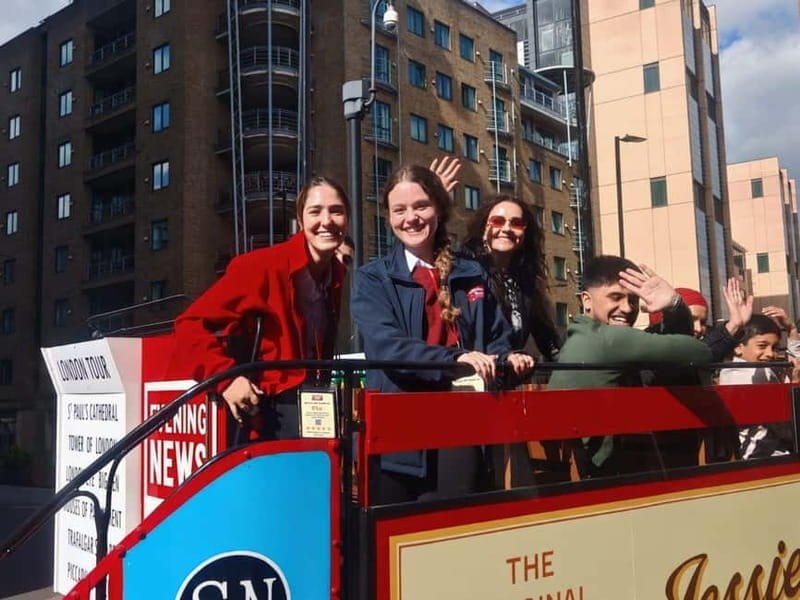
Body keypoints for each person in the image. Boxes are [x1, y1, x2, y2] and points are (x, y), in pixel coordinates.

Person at [352, 164, 534, 501]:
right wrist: (457, 358)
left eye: (421, 206)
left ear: (438, 208)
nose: (411, 218)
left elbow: (495, 335)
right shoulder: (373, 278)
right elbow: (387, 348)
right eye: (399, 209)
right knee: (393, 539)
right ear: (388, 216)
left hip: (460, 431)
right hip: (397, 440)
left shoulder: (470, 272)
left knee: (450, 531)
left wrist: (509, 357)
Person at [172, 176, 349, 439]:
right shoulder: (261, 266)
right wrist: (227, 379)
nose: (327, 221)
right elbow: (188, 326)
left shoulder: (336, 272)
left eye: (337, 211)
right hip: (269, 415)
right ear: (300, 221)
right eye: (315, 211)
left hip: (314, 410)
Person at [547, 255, 712, 477]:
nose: (626, 308)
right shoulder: (610, 340)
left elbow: (664, 341)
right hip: (606, 475)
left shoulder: (582, 335)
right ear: (586, 300)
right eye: (616, 297)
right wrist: (675, 303)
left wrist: (674, 310)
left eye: (633, 300)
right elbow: (700, 352)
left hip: (579, 469)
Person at [462, 195, 560, 360]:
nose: (507, 228)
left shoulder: (525, 283)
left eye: (516, 223)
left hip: (503, 379)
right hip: (467, 377)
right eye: (498, 221)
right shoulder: (463, 271)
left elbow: (549, 342)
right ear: (484, 227)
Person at [719, 311, 800, 460]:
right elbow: (781, 414)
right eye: (762, 346)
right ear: (738, 347)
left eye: (774, 347)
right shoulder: (737, 374)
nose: (770, 353)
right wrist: (795, 384)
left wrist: (792, 330)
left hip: (780, 449)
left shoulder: (761, 367)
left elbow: (795, 365)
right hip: (759, 455)